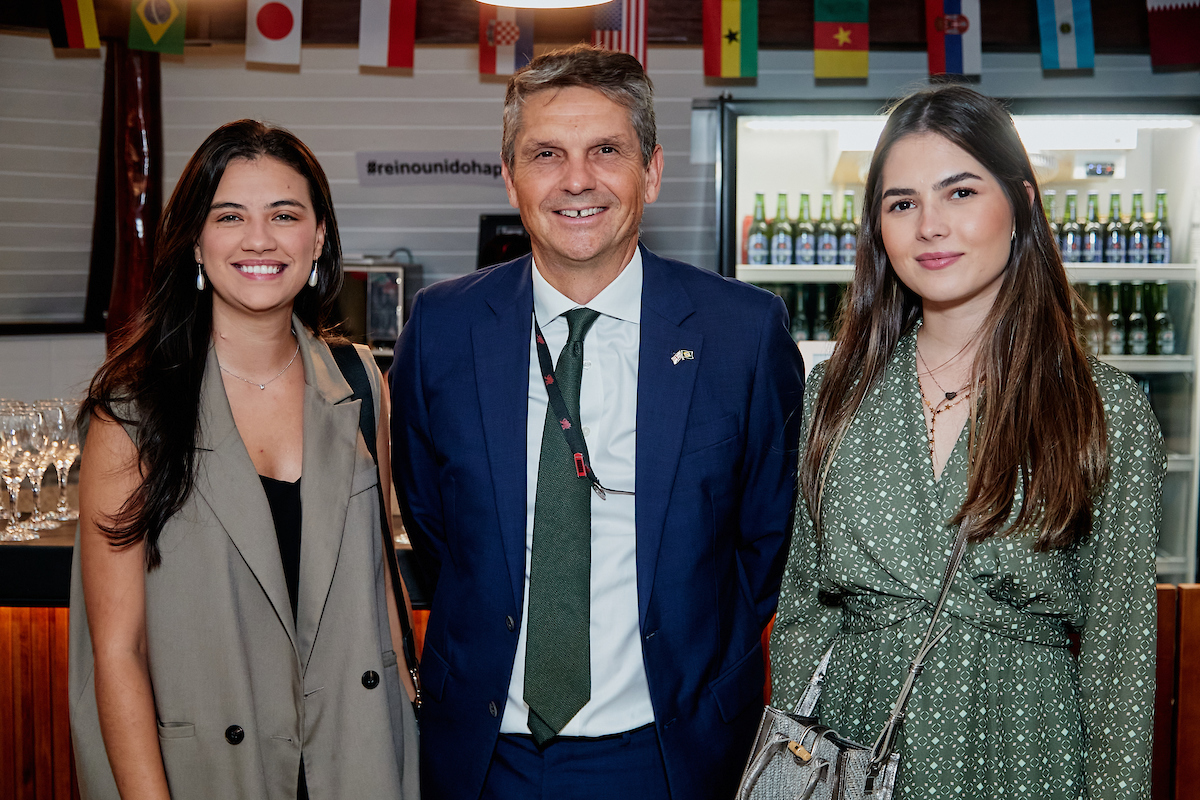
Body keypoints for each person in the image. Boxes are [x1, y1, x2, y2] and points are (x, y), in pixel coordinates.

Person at [390, 45, 805, 800]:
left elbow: (766, 539)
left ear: (651, 170)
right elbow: (436, 524)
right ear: (510, 175)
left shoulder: (741, 333)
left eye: (605, 151)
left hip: (674, 751)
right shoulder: (442, 329)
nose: (576, 180)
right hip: (485, 754)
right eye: (546, 153)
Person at [769, 85, 1163, 800]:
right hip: (851, 748)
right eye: (901, 203)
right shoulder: (835, 391)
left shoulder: (1104, 408)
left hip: (1025, 751)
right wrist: (799, 766)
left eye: (959, 192)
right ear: (878, 228)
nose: (929, 227)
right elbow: (802, 608)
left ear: (1021, 203)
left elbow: (1120, 664)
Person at [68, 120, 419, 800]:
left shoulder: (358, 378)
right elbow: (117, 653)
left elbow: (379, 582)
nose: (259, 240)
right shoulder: (133, 409)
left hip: (361, 753)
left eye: (284, 215)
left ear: (317, 238)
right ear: (196, 241)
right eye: (230, 216)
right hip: (210, 768)